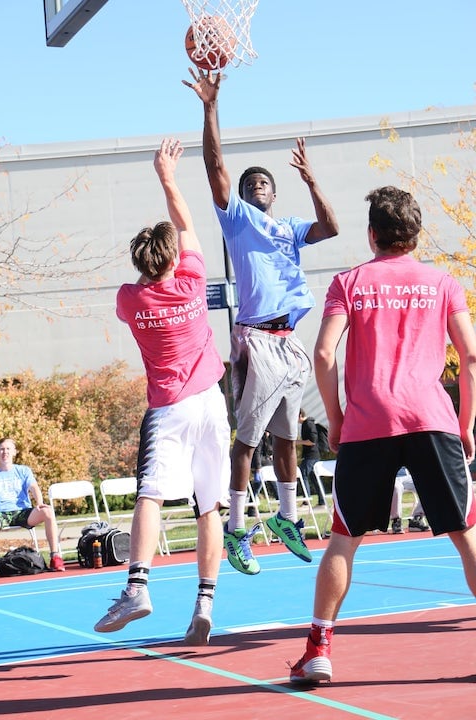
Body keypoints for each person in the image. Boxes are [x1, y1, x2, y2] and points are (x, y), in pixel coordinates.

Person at [290, 185, 476, 683]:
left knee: (345, 540)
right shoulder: (443, 282)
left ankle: (319, 650)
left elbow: (324, 354)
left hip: (369, 423)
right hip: (431, 418)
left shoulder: (348, 283)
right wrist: (466, 425)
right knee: (466, 535)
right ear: (415, 236)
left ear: (372, 234)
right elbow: (472, 357)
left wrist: (335, 417)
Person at [184, 69, 339, 575]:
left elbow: (332, 227)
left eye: (265, 181)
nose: (258, 184)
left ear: (275, 192)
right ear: (245, 195)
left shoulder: (290, 228)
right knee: (247, 440)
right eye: (252, 182)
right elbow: (214, 165)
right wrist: (210, 108)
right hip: (257, 338)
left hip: (290, 341)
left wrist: (312, 179)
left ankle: (287, 517)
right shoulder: (238, 218)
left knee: (288, 439)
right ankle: (233, 531)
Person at [94, 138, 231, 645]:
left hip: (170, 408)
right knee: (208, 506)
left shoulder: (131, 298)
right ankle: (205, 603)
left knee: (150, 494)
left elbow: (159, 258)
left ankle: (137, 587)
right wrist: (168, 177)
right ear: (174, 257)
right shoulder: (193, 280)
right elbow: (188, 226)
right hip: (212, 403)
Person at [0, 437, 65, 571]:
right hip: (0, 513)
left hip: (23, 512)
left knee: (48, 511)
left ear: (14, 452)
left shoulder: (23, 471)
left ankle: (55, 557)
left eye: (8, 449)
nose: (5, 452)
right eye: (2, 449)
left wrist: (39, 502)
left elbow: (34, 488)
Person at [297, 409, 329, 505]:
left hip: (312, 455)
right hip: (311, 455)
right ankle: (322, 501)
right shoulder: (305, 424)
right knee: (314, 478)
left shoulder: (308, 424)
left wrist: (297, 442)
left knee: (303, 474)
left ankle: (307, 500)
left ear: (300, 415)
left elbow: (312, 441)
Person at [389, 467, 429, 533]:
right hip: (391, 477)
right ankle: (396, 521)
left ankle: (416, 519)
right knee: (396, 487)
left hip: (407, 476)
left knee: (428, 483)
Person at [247, 430, 275, 518]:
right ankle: (251, 508)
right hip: (260, 465)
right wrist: (258, 467)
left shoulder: (270, 438)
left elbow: (270, 450)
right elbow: (257, 452)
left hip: (268, 464)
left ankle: (282, 502)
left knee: (274, 484)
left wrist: (271, 455)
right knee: (257, 487)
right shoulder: (260, 438)